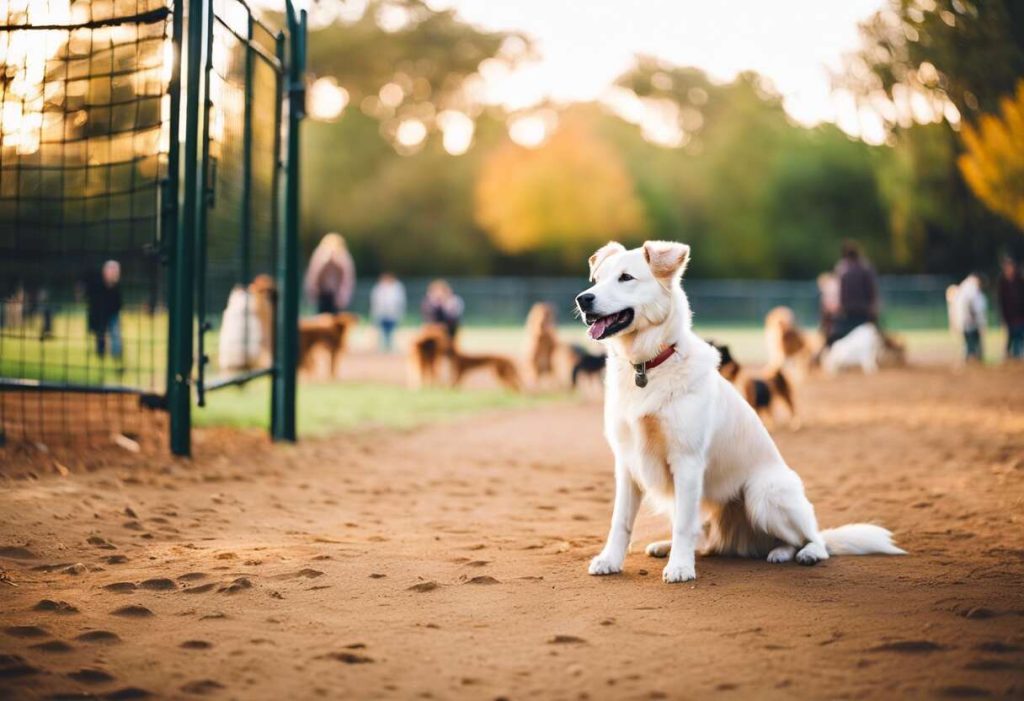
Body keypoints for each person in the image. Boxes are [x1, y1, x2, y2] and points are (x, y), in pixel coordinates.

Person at [827, 240, 878, 346]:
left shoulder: (842, 270)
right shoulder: (866, 268)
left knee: (834, 333)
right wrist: (873, 307)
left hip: (847, 312)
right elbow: (872, 290)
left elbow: (839, 293)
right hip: (864, 311)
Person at [304, 233, 356, 314]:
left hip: (335, 296)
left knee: (332, 317)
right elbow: (314, 276)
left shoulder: (342, 256)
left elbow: (346, 279)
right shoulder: (321, 254)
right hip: (323, 294)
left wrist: (342, 297)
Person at [86, 260, 123, 363]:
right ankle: (101, 354)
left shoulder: (116, 287)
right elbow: (93, 301)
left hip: (112, 314)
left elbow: (118, 303)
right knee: (100, 334)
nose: (113, 273)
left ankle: (116, 355)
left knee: (115, 333)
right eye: (111, 270)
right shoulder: (97, 284)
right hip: (100, 314)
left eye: (115, 271)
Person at [952, 274, 987, 363]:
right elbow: (973, 306)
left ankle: (971, 357)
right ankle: (972, 358)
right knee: (971, 342)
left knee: (970, 342)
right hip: (970, 322)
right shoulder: (971, 290)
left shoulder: (966, 289)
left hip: (968, 322)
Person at [369, 272, 406, 352]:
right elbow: (375, 302)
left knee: (391, 332)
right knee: (382, 332)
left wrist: (399, 313)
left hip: (392, 314)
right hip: (381, 313)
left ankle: (389, 347)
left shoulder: (396, 289)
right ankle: (382, 347)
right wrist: (374, 313)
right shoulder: (378, 288)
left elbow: (400, 302)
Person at [997, 256, 1024, 360]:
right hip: (1009, 315)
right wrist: (1002, 317)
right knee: (1011, 336)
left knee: (1019, 335)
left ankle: (1017, 355)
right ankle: (1009, 355)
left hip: (1020, 314)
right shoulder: (1002, 283)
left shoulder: (1019, 280)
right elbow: (1001, 301)